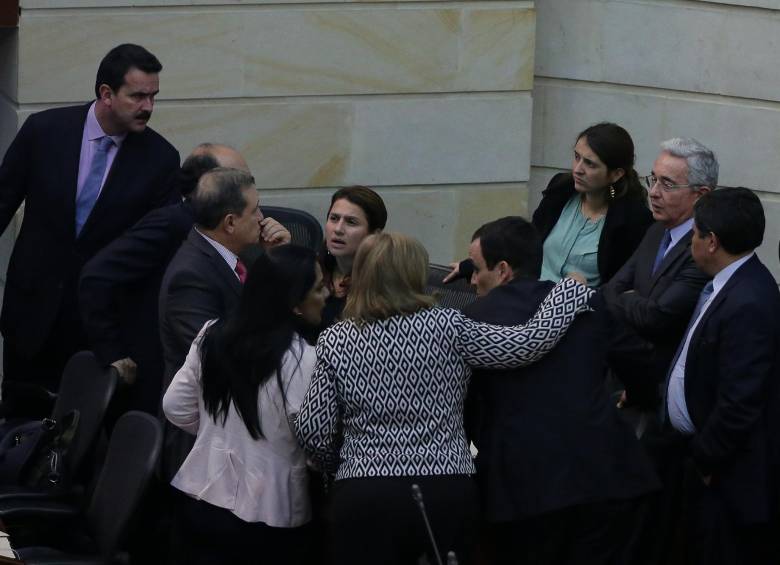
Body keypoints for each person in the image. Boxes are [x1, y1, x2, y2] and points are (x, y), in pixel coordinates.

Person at [295, 232, 594, 565]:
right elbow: (525, 344)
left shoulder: (335, 339)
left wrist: (345, 465)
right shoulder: (449, 326)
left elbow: (313, 429)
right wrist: (570, 290)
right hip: (445, 484)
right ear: (415, 274)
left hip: (364, 491)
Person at [462, 216, 659, 565]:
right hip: (607, 476)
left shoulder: (473, 319)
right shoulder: (587, 304)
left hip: (523, 492)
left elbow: (465, 405)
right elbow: (638, 363)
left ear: (503, 270)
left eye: (476, 269)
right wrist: (640, 398)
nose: (473, 280)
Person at [0, 43, 180, 404]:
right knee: (19, 436)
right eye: (138, 96)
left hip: (100, 333)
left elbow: (153, 255)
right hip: (31, 317)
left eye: (153, 96)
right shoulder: (44, 132)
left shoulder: (161, 159)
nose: (148, 107)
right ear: (106, 94)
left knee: (82, 440)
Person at [79, 143, 287, 415]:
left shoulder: (238, 244)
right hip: (175, 377)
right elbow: (96, 275)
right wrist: (113, 352)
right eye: (234, 177)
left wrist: (279, 260)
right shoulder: (176, 228)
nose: (243, 185)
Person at [163, 244, 328, 565]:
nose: (326, 294)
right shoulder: (307, 361)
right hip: (272, 511)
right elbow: (314, 443)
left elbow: (175, 406)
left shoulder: (212, 334)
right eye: (319, 287)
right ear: (295, 303)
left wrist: (219, 435)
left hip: (200, 492)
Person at [600, 137, 718, 565]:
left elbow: (659, 317)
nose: (653, 191)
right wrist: (632, 301)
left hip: (661, 401)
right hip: (623, 385)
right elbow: (611, 288)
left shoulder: (702, 249)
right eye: (653, 179)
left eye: (668, 184)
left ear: (700, 195)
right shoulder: (655, 231)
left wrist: (628, 302)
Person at [662, 188, 779, 565]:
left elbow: (740, 401)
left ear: (711, 242)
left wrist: (705, 460)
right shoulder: (728, 284)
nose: (690, 240)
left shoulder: (750, 302)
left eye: (695, 232)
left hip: (724, 477)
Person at [159, 167, 291, 481]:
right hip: (204, 447)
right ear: (230, 222)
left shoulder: (233, 258)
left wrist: (280, 260)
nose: (262, 218)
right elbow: (223, 354)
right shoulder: (190, 276)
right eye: (255, 209)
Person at [446, 122, 652, 287]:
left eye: (590, 164)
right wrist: (473, 265)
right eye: (577, 157)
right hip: (529, 299)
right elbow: (525, 242)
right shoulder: (561, 190)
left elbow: (620, 285)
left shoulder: (632, 219)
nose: (578, 169)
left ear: (616, 174)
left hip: (580, 319)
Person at [318, 185, 387, 327]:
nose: (338, 229)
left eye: (351, 222)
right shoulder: (314, 267)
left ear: (375, 234)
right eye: (334, 218)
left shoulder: (385, 280)